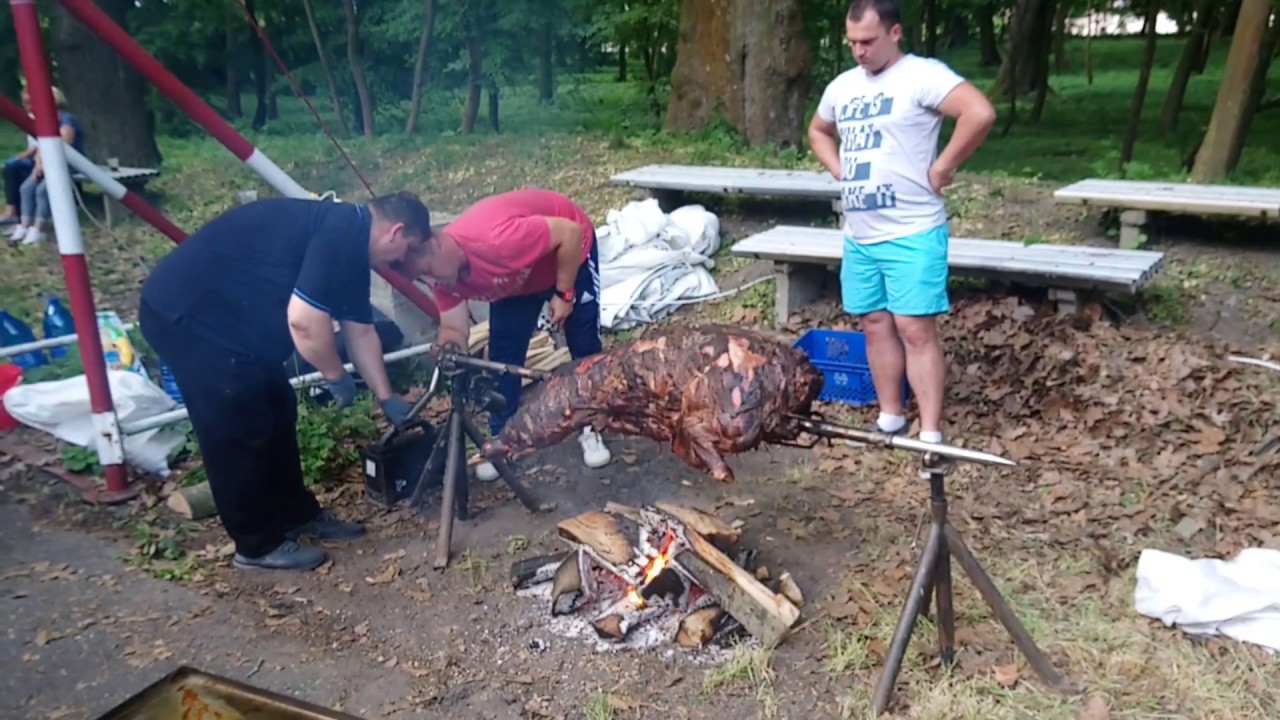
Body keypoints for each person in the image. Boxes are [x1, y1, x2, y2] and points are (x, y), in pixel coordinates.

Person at [138, 193, 428, 572]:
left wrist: (386, 396)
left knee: (277, 406)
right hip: (188, 316)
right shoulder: (341, 231)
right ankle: (256, 545)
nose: (402, 260)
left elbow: (360, 331)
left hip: (234, 323)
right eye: (407, 248)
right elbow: (304, 321)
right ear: (396, 231)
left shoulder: (354, 249)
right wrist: (335, 375)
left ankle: (294, 514)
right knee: (238, 423)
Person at [807, 0, 995, 465]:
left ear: (895, 33)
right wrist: (840, 171)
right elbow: (818, 130)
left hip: (912, 230)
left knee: (915, 328)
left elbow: (978, 112)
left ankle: (930, 434)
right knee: (874, 324)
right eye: (852, 42)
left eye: (868, 41)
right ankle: (890, 416)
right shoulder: (843, 86)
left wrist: (943, 167)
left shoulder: (922, 76)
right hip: (860, 234)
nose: (859, 51)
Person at [403, 188, 612, 481]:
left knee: (584, 342)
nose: (431, 282)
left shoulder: (495, 240)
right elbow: (454, 328)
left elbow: (569, 232)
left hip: (567, 252)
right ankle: (503, 438)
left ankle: (589, 424)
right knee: (502, 356)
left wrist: (565, 293)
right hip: (516, 280)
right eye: (422, 278)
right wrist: (449, 347)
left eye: (428, 271)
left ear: (437, 244)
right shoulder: (442, 279)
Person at [8, 87, 85, 245]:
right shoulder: (46, 120)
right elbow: (41, 145)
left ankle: (39, 228)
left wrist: (44, 164)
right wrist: (38, 164)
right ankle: (24, 225)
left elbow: (63, 145)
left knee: (42, 190)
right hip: (49, 163)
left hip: (69, 164)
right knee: (26, 188)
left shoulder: (67, 119)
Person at [1, 92, 37, 226]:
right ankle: (15, 208)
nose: (28, 107)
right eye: (25, 103)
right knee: (10, 165)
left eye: (30, 103)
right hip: (34, 157)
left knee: (12, 167)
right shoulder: (29, 118)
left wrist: (22, 156)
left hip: (40, 159)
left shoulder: (43, 119)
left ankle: (11, 210)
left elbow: (40, 146)